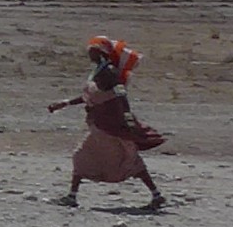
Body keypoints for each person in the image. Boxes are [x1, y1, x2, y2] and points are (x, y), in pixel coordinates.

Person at [47, 34, 167, 210]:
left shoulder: (108, 71)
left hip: (111, 124)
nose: (89, 54)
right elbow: (91, 96)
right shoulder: (99, 71)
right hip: (102, 123)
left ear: (100, 52)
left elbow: (120, 94)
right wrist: (65, 103)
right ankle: (156, 195)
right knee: (121, 157)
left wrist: (126, 117)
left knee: (90, 155)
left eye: (92, 51)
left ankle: (72, 196)